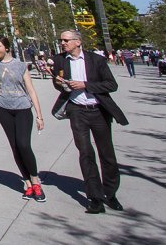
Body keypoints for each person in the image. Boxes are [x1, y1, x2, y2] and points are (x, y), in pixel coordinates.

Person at [51, 28, 129, 214]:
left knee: (106, 153)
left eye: (66, 40)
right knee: (85, 153)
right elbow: (57, 83)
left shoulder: (96, 60)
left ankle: (109, 194)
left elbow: (111, 85)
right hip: (77, 111)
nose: (63, 43)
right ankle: (95, 197)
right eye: (61, 40)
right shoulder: (60, 60)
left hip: (98, 110)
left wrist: (86, 85)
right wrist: (62, 84)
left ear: (78, 41)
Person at [0, 35, 46, 202]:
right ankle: (27, 183)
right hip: (3, 108)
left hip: (22, 108)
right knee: (15, 146)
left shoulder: (20, 65)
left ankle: (35, 180)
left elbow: (31, 90)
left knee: (24, 144)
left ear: (6, 47)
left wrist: (39, 116)